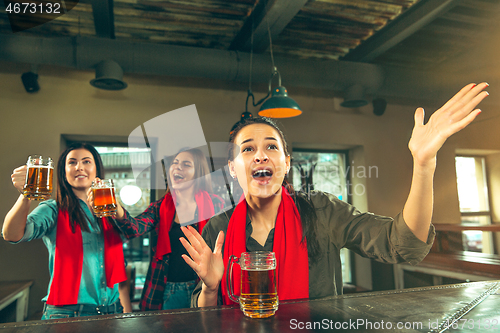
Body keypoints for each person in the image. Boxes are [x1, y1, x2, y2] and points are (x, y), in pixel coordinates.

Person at [179, 82, 490, 307]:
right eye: (247, 150)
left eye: (271, 147)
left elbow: (402, 245)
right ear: (233, 168)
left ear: (286, 164)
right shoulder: (217, 230)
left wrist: (424, 164)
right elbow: (203, 315)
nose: (261, 156)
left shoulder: (321, 211)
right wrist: (209, 288)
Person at [2, 143, 131, 319]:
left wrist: (128, 316)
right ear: (63, 172)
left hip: (113, 312)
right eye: (72, 162)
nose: (79, 167)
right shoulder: (53, 209)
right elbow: (11, 234)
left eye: (86, 161)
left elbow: (118, 275)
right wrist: (26, 193)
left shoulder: (112, 212)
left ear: (96, 169)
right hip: (66, 315)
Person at [108, 148, 224, 311]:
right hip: (165, 290)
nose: (177, 167)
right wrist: (117, 211)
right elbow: (135, 228)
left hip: (204, 289)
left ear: (198, 172)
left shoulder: (216, 205)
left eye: (186, 164)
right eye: (174, 163)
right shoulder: (159, 207)